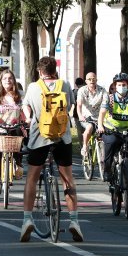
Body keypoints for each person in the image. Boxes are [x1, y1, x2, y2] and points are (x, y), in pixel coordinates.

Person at [20, 56, 83, 242]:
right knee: (67, 178)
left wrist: (29, 115)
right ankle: (74, 221)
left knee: (32, 177)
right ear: (55, 69)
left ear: (40, 72)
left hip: (39, 136)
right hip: (62, 137)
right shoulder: (64, 84)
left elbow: (28, 107)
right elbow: (70, 105)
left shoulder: (33, 87)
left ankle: (27, 219)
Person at [77, 72, 109, 174]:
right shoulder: (82, 90)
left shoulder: (102, 90)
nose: (92, 81)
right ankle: (85, 147)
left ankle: (105, 154)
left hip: (100, 117)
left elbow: (106, 104)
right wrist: (80, 115)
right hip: (87, 117)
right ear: (86, 81)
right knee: (89, 128)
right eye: (89, 79)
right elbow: (79, 105)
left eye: (94, 79)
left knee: (107, 132)